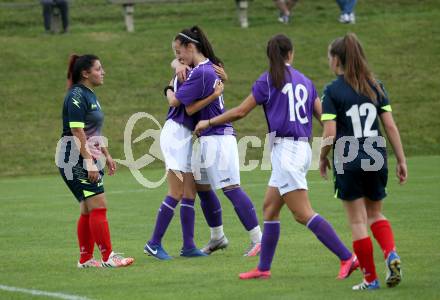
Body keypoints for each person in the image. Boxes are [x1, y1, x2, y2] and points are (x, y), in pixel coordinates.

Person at [194, 34, 358, 280]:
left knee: (303, 213)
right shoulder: (305, 80)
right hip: (301, 149)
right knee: (270, 208)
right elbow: (324, 117)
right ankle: (263, 268)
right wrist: (334, 143)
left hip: (287, 152)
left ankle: (348, 257)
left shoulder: (268, 80)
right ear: (290, 54)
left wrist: (208, 121)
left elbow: (240, 112)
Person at [166, 25, 263, 257]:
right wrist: (178, 64)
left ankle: (259, 239)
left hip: (218, 136)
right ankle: (217, 237)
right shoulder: (204, 67)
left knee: (231, 187)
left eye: (179, 51)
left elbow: (185, 108)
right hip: (207, 138)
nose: (177, 57)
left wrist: (168, 87)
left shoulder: (201, 72)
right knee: (203, 188)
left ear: (191, 47)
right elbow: (179, 66)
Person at [319, 33, 407, 290]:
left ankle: (371, 279)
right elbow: (389, 125)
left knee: (358, 222)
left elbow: (330, 133)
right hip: (376, 154)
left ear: (337, 60)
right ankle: (390, 253)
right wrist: (401, 159)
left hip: (348, 155)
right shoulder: (376, 85)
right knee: (375, 213)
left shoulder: (332, 90)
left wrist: (322, 157)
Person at [143, 45, 224, 260]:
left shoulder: (192, 71)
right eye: (177, 53)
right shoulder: (191, 72)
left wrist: (172, 78)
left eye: (180, 52)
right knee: (176, 192)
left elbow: (172, 89)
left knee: (190, 193)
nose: (178, 56)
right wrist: (215, 94)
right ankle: (153, 243)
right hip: (176, 134)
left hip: (185, 135)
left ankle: (188, 246)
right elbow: (179, 103)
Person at [57, 54, 134, 268]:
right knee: (98, 205)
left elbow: (93, 131)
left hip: (85, 156)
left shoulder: (90, 95)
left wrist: (107, 154)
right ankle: (109, 258)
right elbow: (76, 130)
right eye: (99, 69)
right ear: (85, 73)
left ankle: (86, 259)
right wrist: (89, 162)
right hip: (76, 158)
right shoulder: (76, 95)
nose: (103, 72)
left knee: (87, 208)